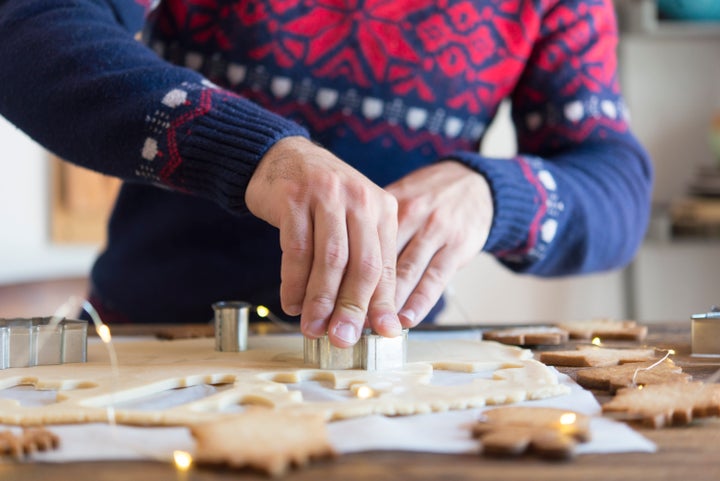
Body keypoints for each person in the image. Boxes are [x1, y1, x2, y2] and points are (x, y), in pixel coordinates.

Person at [0, 0, 653, 347]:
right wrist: (256, 153)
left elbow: (615, 180)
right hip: (145, 343)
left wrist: (492, 194)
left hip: (394, 368)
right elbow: (30, 24)